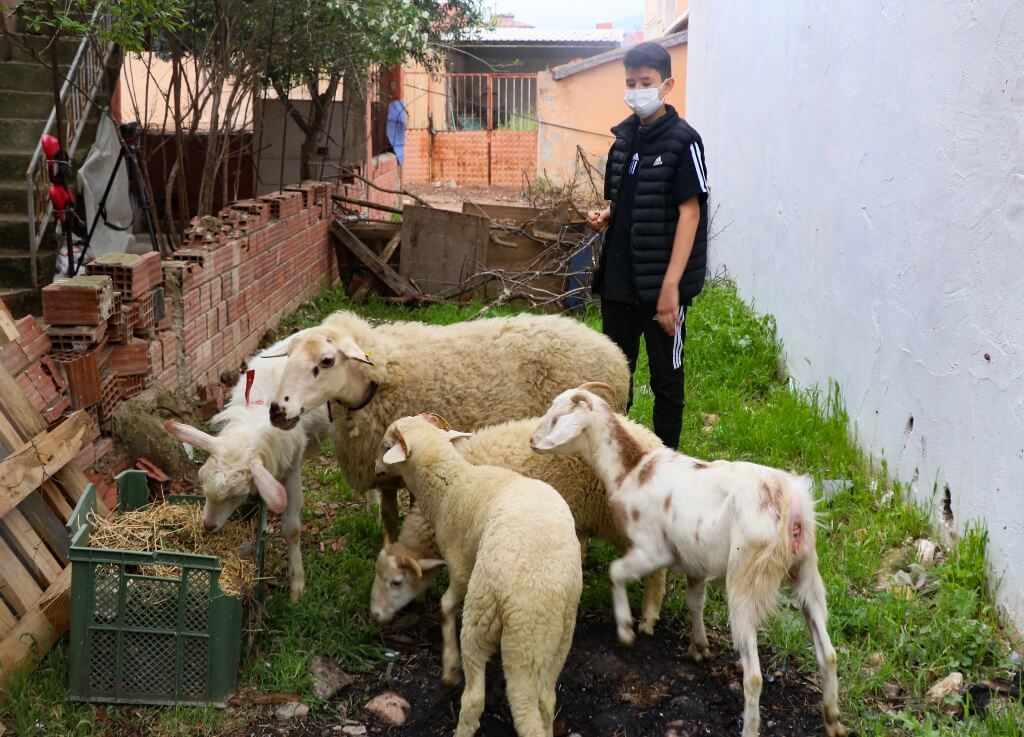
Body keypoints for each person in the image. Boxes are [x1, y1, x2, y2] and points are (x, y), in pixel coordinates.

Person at [588, 41, 709, 450]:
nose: (636, 89)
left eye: (645, 82)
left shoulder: (683, 141)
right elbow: (628, 198)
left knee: (666, 381)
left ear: (666, 84)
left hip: (661, 287)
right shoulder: (622, 141)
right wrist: (610, 215)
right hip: (619, 284)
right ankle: (618, 463)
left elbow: (689, 214)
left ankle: (666, 469)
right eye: (630, 82)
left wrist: (672, 287)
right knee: (616, 379)